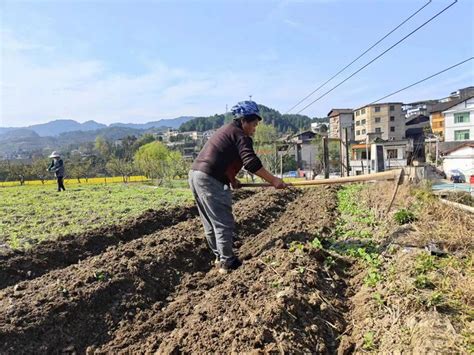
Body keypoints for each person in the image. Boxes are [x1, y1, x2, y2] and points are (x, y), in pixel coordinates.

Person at [188, 101, 287, 273]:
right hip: (210, 178)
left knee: (211, 222)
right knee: (223, 222)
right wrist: (274, 180)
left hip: (196, 175)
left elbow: (221, 157)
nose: (255, 129)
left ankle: (220, 257)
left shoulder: (227, 131)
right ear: (244, 121)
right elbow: (251, 163)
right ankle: (227, 263)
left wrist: (232, 179)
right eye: (254, 124)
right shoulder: (240, 135)